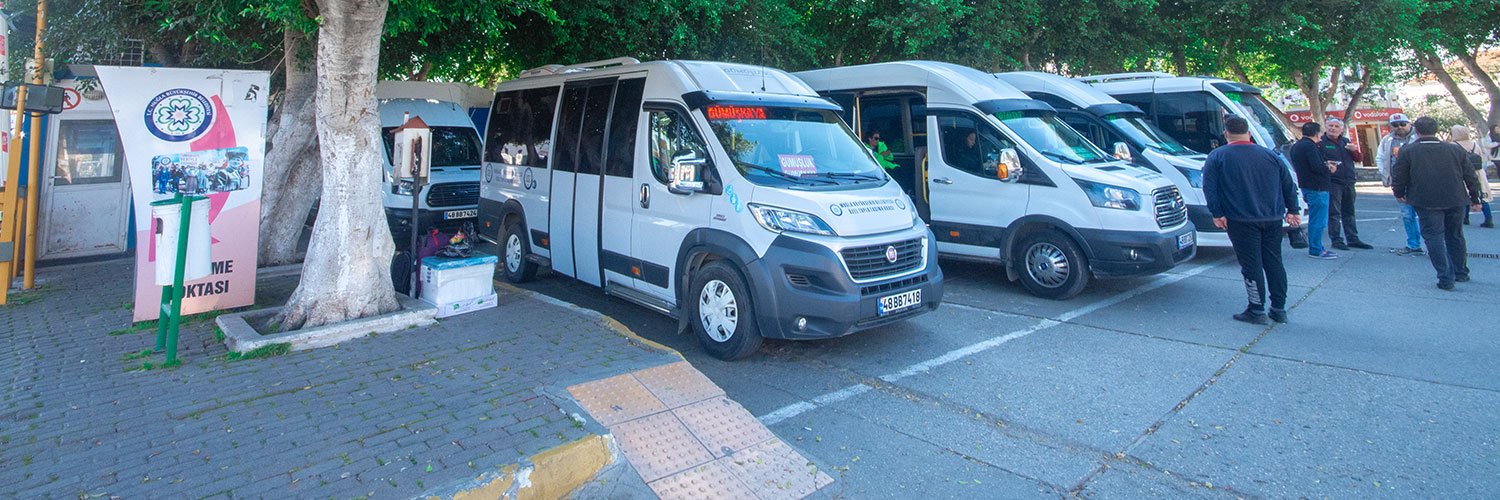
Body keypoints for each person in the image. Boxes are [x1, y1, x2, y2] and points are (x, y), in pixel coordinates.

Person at [1203, 116, 1302, 325]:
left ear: (1226, 134)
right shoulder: (1270, 155)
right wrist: (1293, 209)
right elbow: (1288, 184)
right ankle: (1279, 308)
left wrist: (1217, 213)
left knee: (1251, 265)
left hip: (1240, 218)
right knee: (1274, 262)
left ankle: (1256, 309)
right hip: (1272, 217)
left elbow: (1210, 188)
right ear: (1249, 133)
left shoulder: (1217, 156)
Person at [1392, 116, 1483, 290]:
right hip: (1455, 198)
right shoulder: (1454, 149)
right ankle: (1460, 271)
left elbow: (1400, 174)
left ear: (1417, 131)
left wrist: (1399, 192)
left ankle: (1445, 276)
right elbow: (1470, 175)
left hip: (1425, 199)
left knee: (1434, 237)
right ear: (1436, 130)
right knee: (1455, 235)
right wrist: (1475, 197)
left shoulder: (1408, 151)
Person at [1320, 118, 1373, 249]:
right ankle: (1336, 240)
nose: (1333, 128)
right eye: (1330, 125)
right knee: (1334, 213)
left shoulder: (1345, 142)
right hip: (1333, 182)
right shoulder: (1321, 143)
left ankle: (1353, 238)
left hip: (1349, 181)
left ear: (1341, 129)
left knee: (1349, 212)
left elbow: (1359, 159)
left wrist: (1354, 150)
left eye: (1336, 126)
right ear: (1326, 127)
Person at [1289, 121, 1337, 259]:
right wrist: (1329, 168)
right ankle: (1316, 249)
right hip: (1318, 187)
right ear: (1316, 133)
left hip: (1306, 184)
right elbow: (1316, 167)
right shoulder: (1310, 146)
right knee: (1318, 220)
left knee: (1315, 217)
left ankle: (1317, 247)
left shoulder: (1297, 146)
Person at [1378, 113, 1423, 255]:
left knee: (1425, 215)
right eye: (1395, 125)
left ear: (1409, 124)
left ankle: (1434, 246)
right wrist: (1386, 174)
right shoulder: (1387, 140)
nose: (1399, 127)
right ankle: (1413, 245)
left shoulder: (1418, 138)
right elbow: (1380, 157)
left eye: (1403, 124)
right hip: (1399, 184)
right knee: (1407, 215)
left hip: (1420, 183)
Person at [1452, 125, 1493, 227]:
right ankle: (1488, 219)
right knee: (1481, 195)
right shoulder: (1474, 144)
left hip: (1461, 172)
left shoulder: (1453, 145)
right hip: (1478, 172)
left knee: (1464, 194)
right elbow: (1482, 157)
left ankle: (1465, 218)